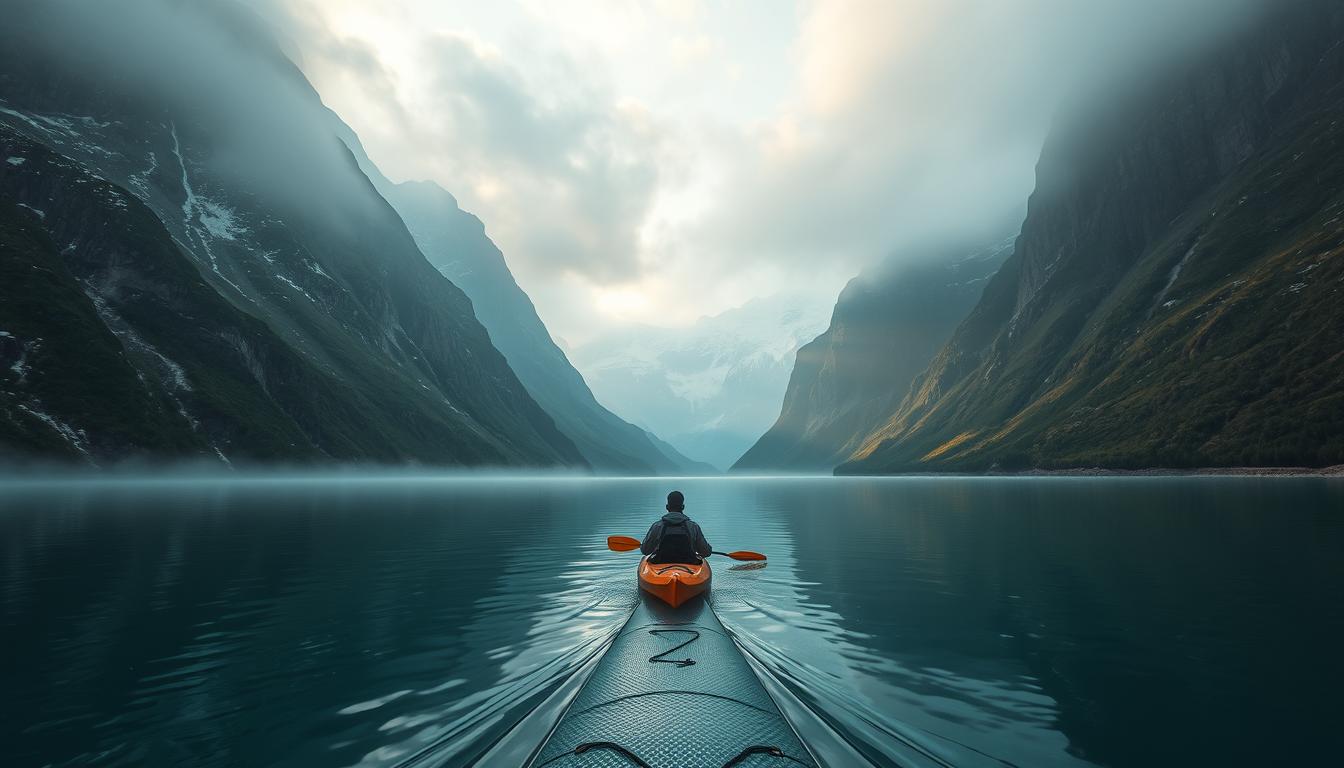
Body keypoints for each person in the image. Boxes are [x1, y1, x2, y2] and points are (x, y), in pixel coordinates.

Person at [641, 490, 712, 564]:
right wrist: (708, 548)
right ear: (683, 507)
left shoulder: (657, 526)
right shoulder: (693, 526)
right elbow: (706, 553)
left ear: (667, 507)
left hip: (661, 564)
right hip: (688, 564)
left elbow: (645, 550)